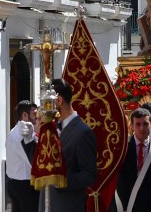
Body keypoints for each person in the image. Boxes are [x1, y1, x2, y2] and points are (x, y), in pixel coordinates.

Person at [40, 78, 97, 212]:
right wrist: (30, 141)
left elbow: (89, 175)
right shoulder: (50, 128)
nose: (42, 108)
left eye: (45, 103)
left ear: (58, 101)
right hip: (47, 204)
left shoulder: (82, 132)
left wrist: (62, 181)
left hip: (68, 206)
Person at [113, 108, 151, 211]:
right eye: (138, 124)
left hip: (149, 208)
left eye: (145, 124)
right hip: (124, 207)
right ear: (132, 126)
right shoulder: (121, 149)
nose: (142, 128)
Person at [6, 100, 39, 212]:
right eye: (34, 114)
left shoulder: (14, 131)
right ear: (25, 115)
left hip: (16, 183)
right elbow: (34, 160)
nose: (37, 117)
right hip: (24, 185)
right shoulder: (23, 134)